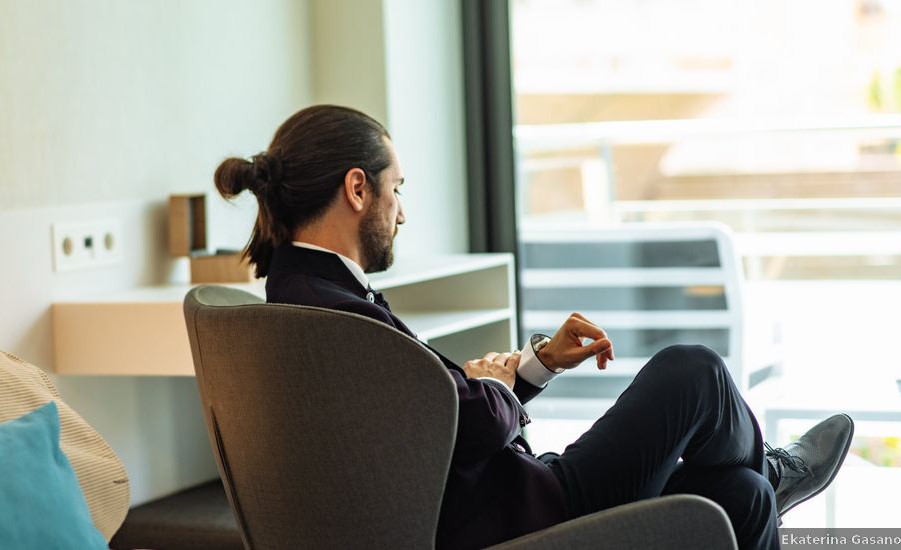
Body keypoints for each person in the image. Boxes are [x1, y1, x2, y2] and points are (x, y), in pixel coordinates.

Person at [214, 105, 854, 550]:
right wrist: (491, 390)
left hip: (504, 502)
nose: (401, 213)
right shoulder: (334, 317)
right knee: (695, 372)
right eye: (396, 189)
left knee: (739, 496)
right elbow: (475, 423)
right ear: (357, 189)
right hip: (525, 519)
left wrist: (532, 364)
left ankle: (765, 475)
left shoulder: (305, 297)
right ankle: (776, 467)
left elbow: (431, 416)